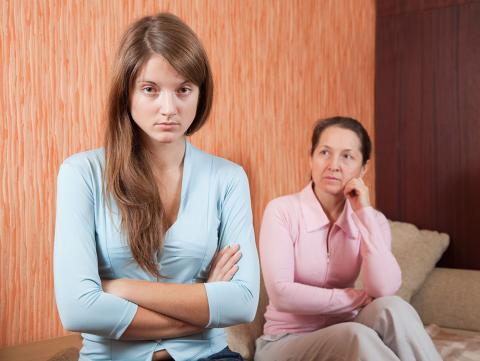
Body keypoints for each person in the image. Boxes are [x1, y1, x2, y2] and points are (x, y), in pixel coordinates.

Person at [54, 13, 259, 361]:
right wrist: (203, 302)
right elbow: (78, 310)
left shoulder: (229, 178)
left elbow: (243, 303)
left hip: (209, 356)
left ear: (200, 94)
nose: (169, 108)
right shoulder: (81, 173)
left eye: (183, 90)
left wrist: (119, 289)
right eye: (150, 89)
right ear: (127, 92)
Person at [254, 117, 441, 361]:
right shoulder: (282, 211)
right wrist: (358, 298)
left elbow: (384, 289)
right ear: (311, 157)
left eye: (347, 156)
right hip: (286, 341)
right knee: (356, 334)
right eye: (324, 152)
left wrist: (363, 212)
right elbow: (281, 293)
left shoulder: (373, 220)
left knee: (394, 308)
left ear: (363, 168)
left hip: (347, 332)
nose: (333, 165)